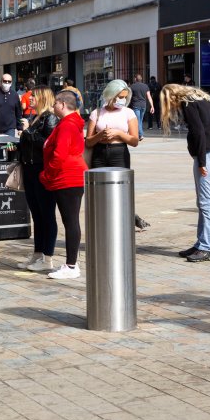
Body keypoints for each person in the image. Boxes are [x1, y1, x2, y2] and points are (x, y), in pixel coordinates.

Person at [161, 83, 210, 262]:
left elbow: (198, 132)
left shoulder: (188, 104)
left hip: (206, 155)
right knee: (203, 202)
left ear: (172, 96)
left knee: (207, 203)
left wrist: (201, 161)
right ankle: (200, 243)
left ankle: (206, 247)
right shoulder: (202, 98)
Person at [40, 90, 88, 279]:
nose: (52, 107)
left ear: (61, 104)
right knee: (71, 221)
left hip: (67, 176)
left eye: (54, 104)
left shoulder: (67, 125)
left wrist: (47, 174)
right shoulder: (69, 123)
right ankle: (71, 264)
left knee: (71, 221)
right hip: (68, 175)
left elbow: (59, 154)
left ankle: (71, 265)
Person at [86, 80, 146, 229]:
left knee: (120, 191)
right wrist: (101, 135)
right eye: (120, 96)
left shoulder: (128, 113)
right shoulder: (97, 112)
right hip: (99, 154)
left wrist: (118, 133)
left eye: (125, 97)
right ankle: (102, 223)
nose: (122, 100)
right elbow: (88, 142)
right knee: (98, 191)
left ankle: (123, 222)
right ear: (111, 95)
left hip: (119, 153)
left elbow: (134, 141)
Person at [17, 85, 59, 272]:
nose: (30, 98)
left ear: (43, 97)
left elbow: (48, 144)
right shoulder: (35, 118)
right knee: (36, 214)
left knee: (46, 214)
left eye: (33, 96)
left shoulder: (50, 118)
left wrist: (27, 132)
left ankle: (48, 258)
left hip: (42, 170)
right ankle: (37, 254)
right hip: (29, 169)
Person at [127, 75, 154, 140]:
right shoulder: (145, 86)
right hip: (143, 105)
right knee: (140, 120)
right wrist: (152, 106)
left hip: (135, 105)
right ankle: (139, 134)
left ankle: (140, 134)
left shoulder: (132, 86)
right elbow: (149, 96)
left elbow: (128, 97)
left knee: (138, 121)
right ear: (141, 79)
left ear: (135, 79)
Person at [0, 72, 24, 137]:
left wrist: (20, 128)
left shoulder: (14, 95)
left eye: (9, 81)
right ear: (1, 81)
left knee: (9, 146)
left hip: (10, 128)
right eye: (5, 81)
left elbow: (18, 113)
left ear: (11, 83)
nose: (7, 83)